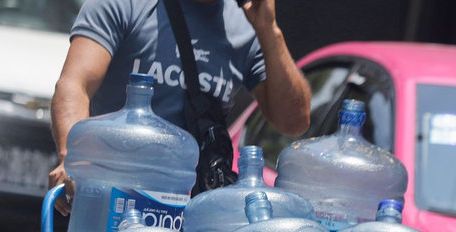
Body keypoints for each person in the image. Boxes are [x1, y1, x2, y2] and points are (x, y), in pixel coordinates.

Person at [48, 0, 311, 215]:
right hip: (114, 202)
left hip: (193, 220)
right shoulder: (124, 5)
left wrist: (269, 31)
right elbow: (74, 84)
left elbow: (294, 121)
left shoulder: (247, 28)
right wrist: (71, 159)